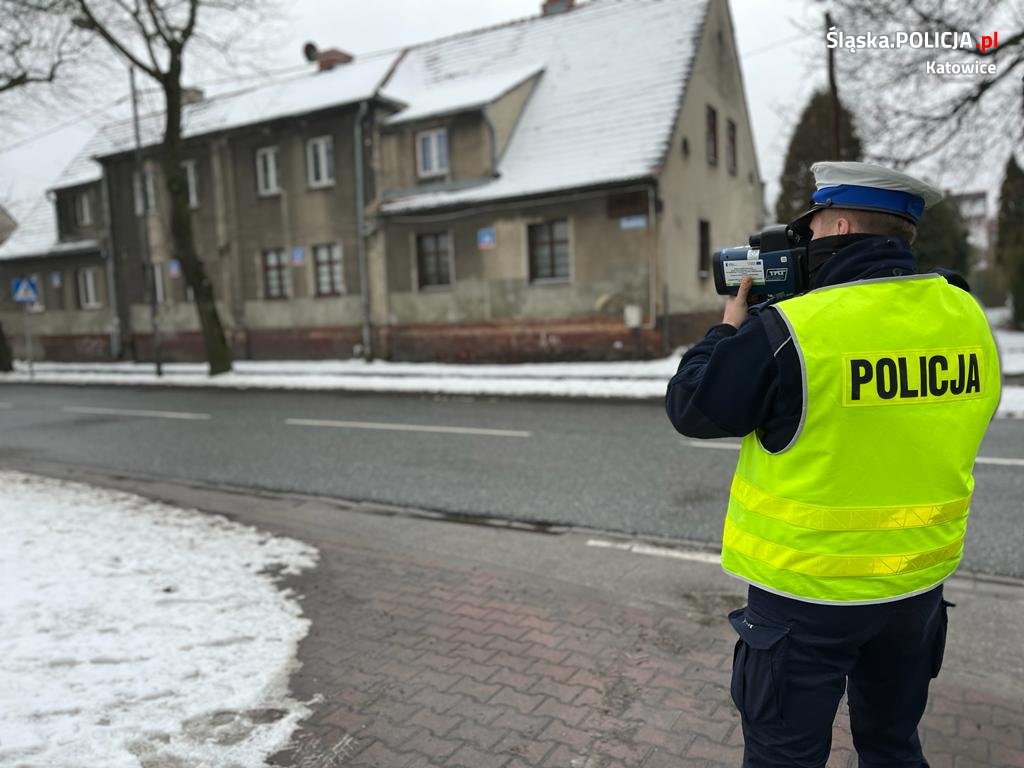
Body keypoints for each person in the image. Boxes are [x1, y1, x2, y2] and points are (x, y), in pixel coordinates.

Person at [665, 161, 1001, 768]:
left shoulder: (791, 329)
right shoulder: (967, 317)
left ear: (838, 222)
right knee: (893, 747)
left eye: (812, 228)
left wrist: (727, 330)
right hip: (914, 590)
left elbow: (693, 406)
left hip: (806, 599)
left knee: (783, 757)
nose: (807, 243)